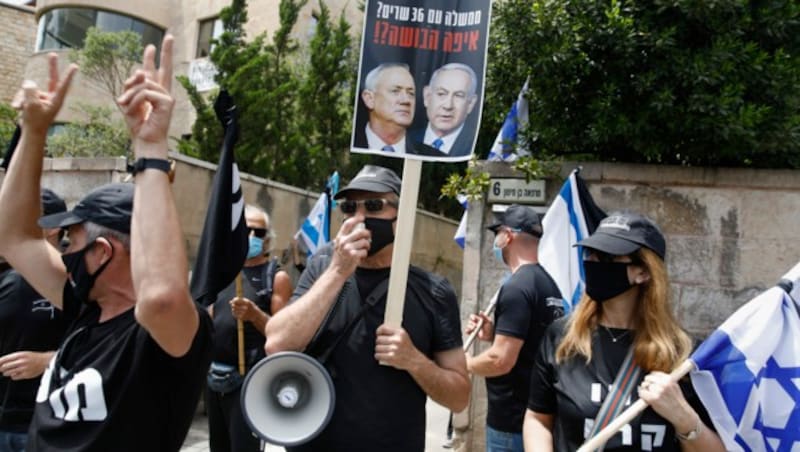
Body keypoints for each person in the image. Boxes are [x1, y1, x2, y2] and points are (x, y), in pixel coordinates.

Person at [0, 35, 213, 451]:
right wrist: (34, 131)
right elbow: (14, 236)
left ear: (103, 251)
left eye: (71, 238)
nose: (63, 250)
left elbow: (163, 297)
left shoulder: (164, 332)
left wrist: (150, 147)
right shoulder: (84, 308)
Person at [265, 164, 470, 452]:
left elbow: (459, 396)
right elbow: (276, 343)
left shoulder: (433, 291)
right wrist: (338, 271)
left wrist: (414, 360)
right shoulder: (324, 266)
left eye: (374, 206)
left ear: (402, 217)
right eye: (350, 207)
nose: (360, 218)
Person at [523, 212, 725, 452]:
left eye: (607, 257)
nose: (595, 263)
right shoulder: (563, 338)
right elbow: (538, 418)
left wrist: (683, 417)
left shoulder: (685, 356)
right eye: (591, 254)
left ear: (644, 272)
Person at [465, 204, 564, 452]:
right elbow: (532, 345)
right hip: (537, 418)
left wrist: (462, 363)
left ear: (508, 235)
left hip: (511, 422)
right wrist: (493, 335)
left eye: (497, 233)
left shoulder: (517, 287)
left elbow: (501, 361)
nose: (495, 241)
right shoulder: (549, 285)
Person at [206, 204, 292, 452]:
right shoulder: (223, 273)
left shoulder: (275, 277)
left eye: (259, 232)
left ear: (267, 239)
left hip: (249, 379)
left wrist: (254, 315)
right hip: (215, 377)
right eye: (246, 230)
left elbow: (283, 336)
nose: (252, 237)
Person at [0, 189, 69, 451]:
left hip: (47, 424)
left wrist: (47, 361)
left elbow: (103, 348)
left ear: (52, 228)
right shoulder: (6, 276)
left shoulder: (77, 284)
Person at [410, 63, 479, 158]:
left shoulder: (477, 147)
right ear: (427, 96)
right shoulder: (406, 140)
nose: (448, 106)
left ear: (471, 103)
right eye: (441, 94)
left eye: (458, 95)